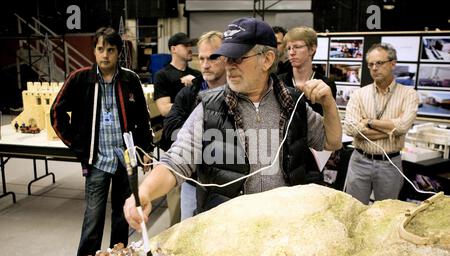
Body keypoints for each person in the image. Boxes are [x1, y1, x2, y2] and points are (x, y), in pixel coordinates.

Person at [124, 17, 342, 231]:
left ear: (266, 59)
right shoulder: (209, 108)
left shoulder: (293, 104)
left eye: (237, 58)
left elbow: (331, 142)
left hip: (284, 227)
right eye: (227, 58)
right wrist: (144, 192)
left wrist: (329, 105)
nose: (229, 66)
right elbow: (176, 161)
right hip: (228, 232)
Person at [51, 27, 153, 256]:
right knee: (93, 219)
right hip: (97, 161)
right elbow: (56, 112)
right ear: (94, 52)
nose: (105, 54)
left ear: (118, 52)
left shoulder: (130, 79)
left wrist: (146, 149)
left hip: (125, 161)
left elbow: (142, 116)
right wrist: (78, 144)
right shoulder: (80, 79)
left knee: (122, 216)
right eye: (100, 49)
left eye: (111, 49)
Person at [161, 31, 227, 220]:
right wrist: (202, 139)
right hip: (192, 180)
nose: (205, 65)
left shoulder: (240, 94)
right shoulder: (188, 94)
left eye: (213, 58)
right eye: (202, 58)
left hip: (229, 184)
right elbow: (170, 131)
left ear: (226, 58)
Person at [344, 43, 419, 204]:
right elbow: (350, 128)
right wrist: (390, 130)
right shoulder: (359, 94)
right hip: (360, 160)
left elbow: (403, 126)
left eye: (379, 63)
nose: (374, 68)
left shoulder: (409, 95)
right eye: (370, 64)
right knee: (354, 210)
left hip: (390, 163)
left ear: (393, 63)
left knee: (386, 214)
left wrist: (368, 122)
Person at [278, 26, 337, 115]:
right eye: (289, 48)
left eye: (297, 47)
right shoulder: (278, 82)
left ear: (312, 49)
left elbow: (328, 118)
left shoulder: (326, 84)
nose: (291, 53)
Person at [153, 32, 202, 118]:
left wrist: (196, 83)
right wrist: (193, 106)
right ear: (173, 49)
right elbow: (164, 110)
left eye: (190, 45)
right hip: (175, 127)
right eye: (186, 45)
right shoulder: (162, 75)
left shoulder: (197, 75)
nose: (190, 48)